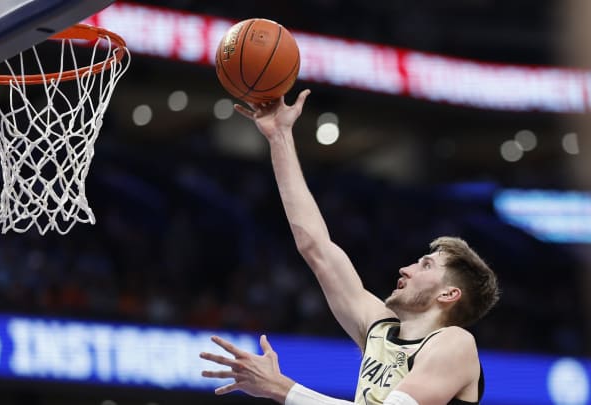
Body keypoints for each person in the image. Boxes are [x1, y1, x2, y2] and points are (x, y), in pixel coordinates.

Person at [199, 90, 500, 405]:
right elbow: (315, 247)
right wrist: (279, 137)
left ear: (449, 295)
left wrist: (281, 388)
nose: (405, 269)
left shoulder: (455, 343)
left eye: (425, 265)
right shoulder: (379, 328)